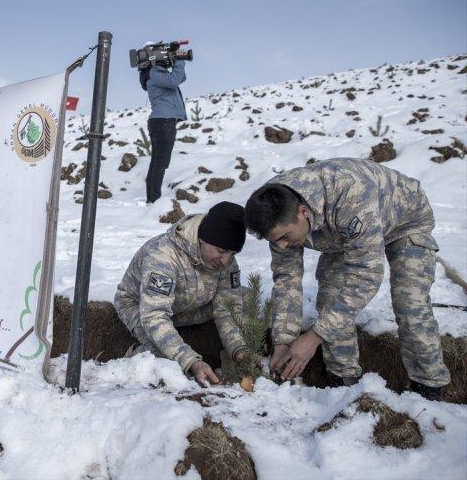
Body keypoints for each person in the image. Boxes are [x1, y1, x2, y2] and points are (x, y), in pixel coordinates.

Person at [244, 158, 450, 400]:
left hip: (405, 222)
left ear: (302, 212)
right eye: (274, 240)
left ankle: (428, 390)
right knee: (331, 299)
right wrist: (282, 342)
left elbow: (366, 275)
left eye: (286, 237)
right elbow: (287, 281)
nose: (282, 245)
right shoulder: (272, 209)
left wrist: (312, 338)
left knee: (410, 306)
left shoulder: (350, 194)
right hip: (343, 232)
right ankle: (343, 386)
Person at [114, 201, 255, 386]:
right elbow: (154, 316)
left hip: (188, 307)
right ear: (203, 238)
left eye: (232, 253)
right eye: (221, 251)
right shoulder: (163, 255)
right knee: (167, 362)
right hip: (141, 306)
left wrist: (239, 350)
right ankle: (137, 355)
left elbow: (227, 309)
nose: (225, 260)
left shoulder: (226, 262)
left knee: (248, 297)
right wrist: (192, 361)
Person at [140, 56, 187, 204]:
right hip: (163, 122)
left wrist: (176, 62)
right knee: (160, 163)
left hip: (162, 122)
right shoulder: (154, 72)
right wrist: (178, 60)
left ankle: (152, 199)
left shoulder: (156, 73)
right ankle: (154, 200)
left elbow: (181, 77)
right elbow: (175, 80)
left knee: (158, 162)